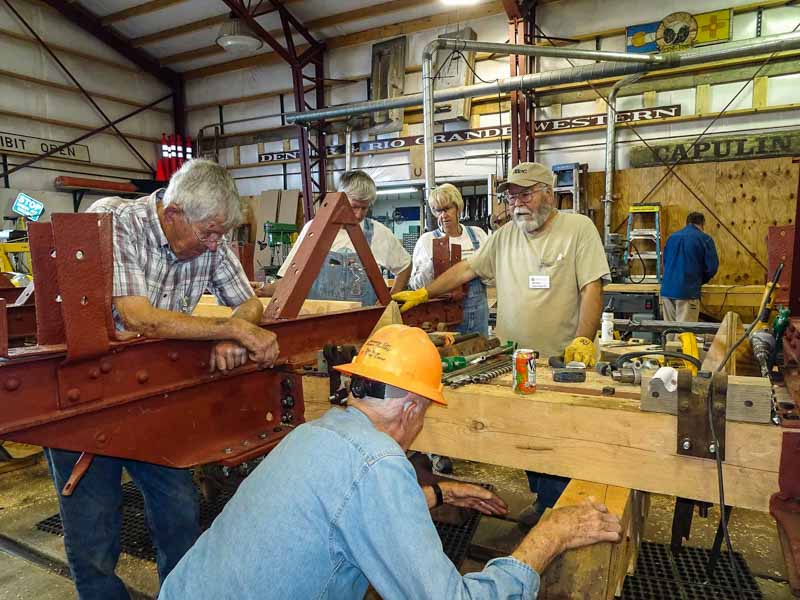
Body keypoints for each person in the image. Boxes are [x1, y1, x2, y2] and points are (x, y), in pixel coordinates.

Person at [158, 325, 621, 600]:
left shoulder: (314, 434)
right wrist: (549, 536)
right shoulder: (377, 463)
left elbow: (346, 513)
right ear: (412, 408)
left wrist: (440, 493)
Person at [45, 159, 280, 600]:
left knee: (179, 511)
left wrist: (237, 326)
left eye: (221, 234)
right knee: (93, 533)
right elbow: (139, 318)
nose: (215, 245)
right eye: (209, 233)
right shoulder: (121, 225)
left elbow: (250, 303)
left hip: (150, 398)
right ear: (173, 214)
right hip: (82, 402)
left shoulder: (207, 238)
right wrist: (230, 330)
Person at [393, 162, 611, 527]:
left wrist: (583, 341)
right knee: (527, 437)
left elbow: (592, 287)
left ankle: (561, 511)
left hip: (562, 362)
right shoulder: (506, 235)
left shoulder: (578, 229)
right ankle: (545, 504)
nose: (517, 204)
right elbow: (467, 270)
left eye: (525, 194)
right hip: (515, 361)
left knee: (560, 442)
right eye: (511, 197)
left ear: (548, 191)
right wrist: (424, 292)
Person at [261, 170, 411, 304]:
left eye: (364, 208)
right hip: (318, 321)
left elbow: (405, 266)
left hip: (364, 321)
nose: (358, 215)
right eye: (354, 207)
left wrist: (388, 302)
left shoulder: (379, 233)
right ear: (340, 200)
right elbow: (290, 278)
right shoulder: (314, 229)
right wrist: (263, 290)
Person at [410, 183, 490, 336]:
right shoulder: (426, 241)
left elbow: (492, 274)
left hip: (478, 314)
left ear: (458, 208)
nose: (443, 215)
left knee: (480, 354)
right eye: (438, 210)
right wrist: (430, 266)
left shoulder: (478, 235)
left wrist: (477, 270)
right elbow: (416, 285)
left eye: (447, 209)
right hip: (444, 318)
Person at [660, 212, 719, 323]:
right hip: (687, 292)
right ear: (702, 224)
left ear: (687, 223)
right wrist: (699, 281)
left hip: (667, 291)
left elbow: (665, 262)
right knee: (684, 333)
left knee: (669, 331)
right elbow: (712, 267)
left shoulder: (671, 238)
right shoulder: (705, 239)